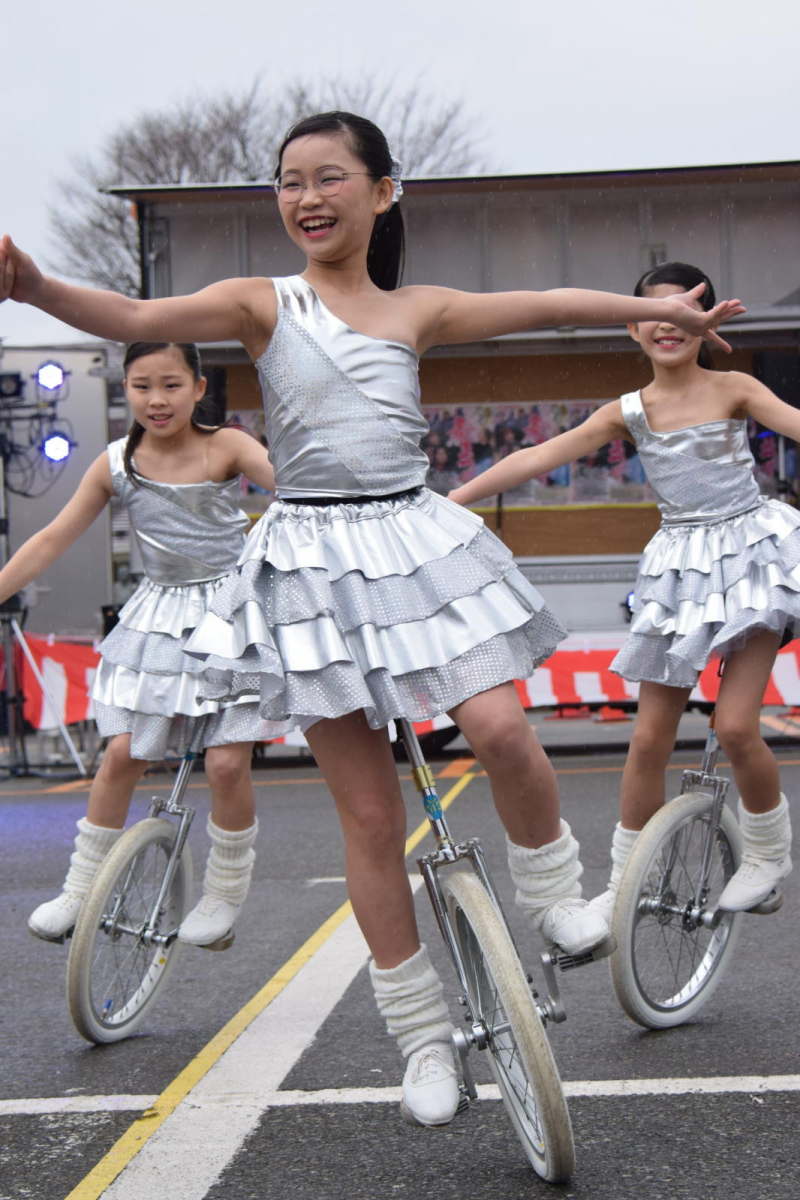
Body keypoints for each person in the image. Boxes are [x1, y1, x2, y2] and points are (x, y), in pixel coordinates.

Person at [0, 120, 742, 1128]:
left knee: (500, 730)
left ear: (382, 193)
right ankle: (421, 1040)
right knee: (368, 819)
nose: (307, 197)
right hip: (309, 569)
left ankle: (557, 897)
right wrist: (36, 288)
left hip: (411, 545)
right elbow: (133, 309)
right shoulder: (262, 304)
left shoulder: (415, 308)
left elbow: (546, 303)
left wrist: (663, 313)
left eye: (329, 178)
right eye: (289, 182)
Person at [450, 260, 794, 928]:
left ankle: (767, 854)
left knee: (734, 724)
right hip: (678, 574)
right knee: (646, 741)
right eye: (655, 314)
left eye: (685, 310)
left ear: (709, 324)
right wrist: (447, 504)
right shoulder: (629, 411)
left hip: (754, 561)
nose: (670, 324)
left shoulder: (735, 388)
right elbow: (535, 459)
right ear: (632, 328)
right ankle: (626, 881)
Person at [0, 341, 276, 949]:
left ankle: (224, 892)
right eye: (142, 385)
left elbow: (300, 494)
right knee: (121, 753)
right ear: (124, 388)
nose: (158, 399)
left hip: (232, 612)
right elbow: (50, 540)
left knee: (227, 762)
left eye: (172, 384)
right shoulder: (114, 463)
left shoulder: (226, 445)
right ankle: (79, 889)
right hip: (160, 614)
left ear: (199, 388)